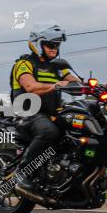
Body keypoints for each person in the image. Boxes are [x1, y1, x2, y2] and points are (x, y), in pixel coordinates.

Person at [9, 23, 81, 198]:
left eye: (57, 45)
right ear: (37, 43)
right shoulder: (24, 63)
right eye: (50, 44)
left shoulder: (58, 66)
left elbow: (77, 83)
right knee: (49, 131)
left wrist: (101, 88)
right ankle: (22, 173)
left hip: (51, 114)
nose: (54, 48)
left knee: (78, 127)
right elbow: (30, 86)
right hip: (28, 114)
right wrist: (56, 85)